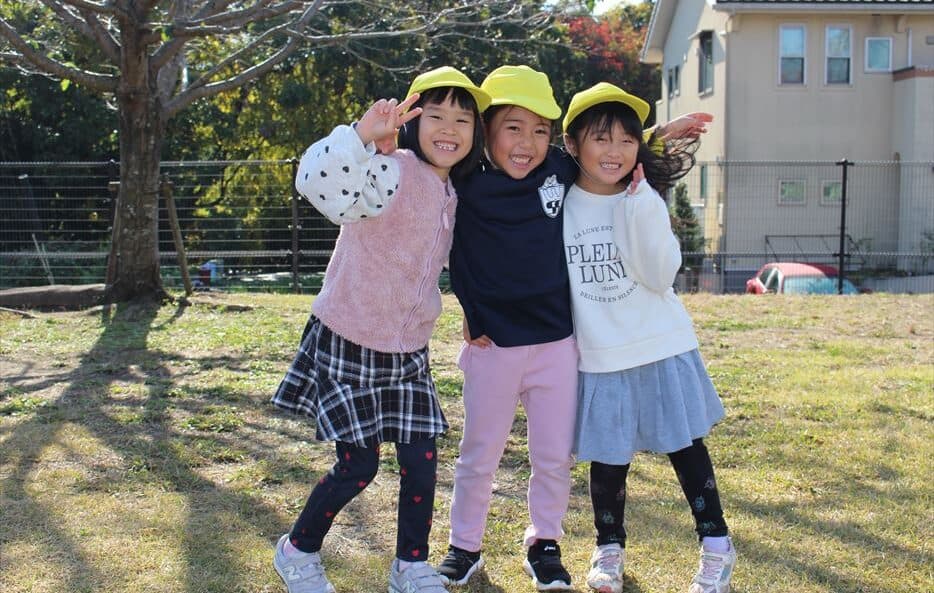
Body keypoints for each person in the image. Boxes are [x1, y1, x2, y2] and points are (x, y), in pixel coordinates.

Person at [436, 66, 714, 592]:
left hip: (558, 345)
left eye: (540, 130)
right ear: (486, 130)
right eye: (513, 128)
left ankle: (544, 542)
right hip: (492, 345)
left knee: (553, 457)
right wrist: (466, 305)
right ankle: (464, 546)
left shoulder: (559, 171)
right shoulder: (464, 181)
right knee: (479, 454)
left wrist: (659, 134)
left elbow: (604, 149)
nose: (527, 143)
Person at [270, 66, 490, 593]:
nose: (449, 128)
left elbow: (461, 265)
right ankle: (297, 550)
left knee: (421, 459)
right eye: (436, 114)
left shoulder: (458, 193)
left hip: (407, 350)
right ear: (414, 121)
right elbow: (320, 188)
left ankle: (411, 565)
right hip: (348, 335)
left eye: (463, 119)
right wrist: (359, 138)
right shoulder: (393, 168)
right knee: (358, 464)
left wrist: (474, 316)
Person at [560, 82, 735, 593]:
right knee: (608, 460)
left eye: (627, 141)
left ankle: (717, 546)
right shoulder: (560, 201)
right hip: (600, 352)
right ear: (573, 145)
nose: (613, 152)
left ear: (639, 147)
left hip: (660, 345)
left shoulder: (645, 198)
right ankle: (607, 547)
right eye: (600, 139)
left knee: (685, 448)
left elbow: (661, 275)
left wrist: (638, 206)